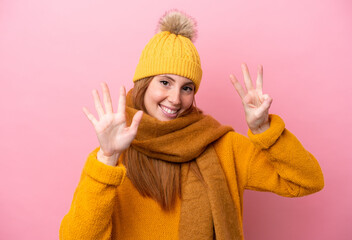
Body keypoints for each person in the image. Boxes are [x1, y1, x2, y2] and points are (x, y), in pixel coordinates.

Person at [59, 10, 324, 240]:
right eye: (165, 82)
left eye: (187, 88)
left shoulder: (222, 147)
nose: (175, 99)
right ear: (144, 83)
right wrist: (107, 158)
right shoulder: (112, 156)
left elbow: (306, 181)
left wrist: (264, 130)